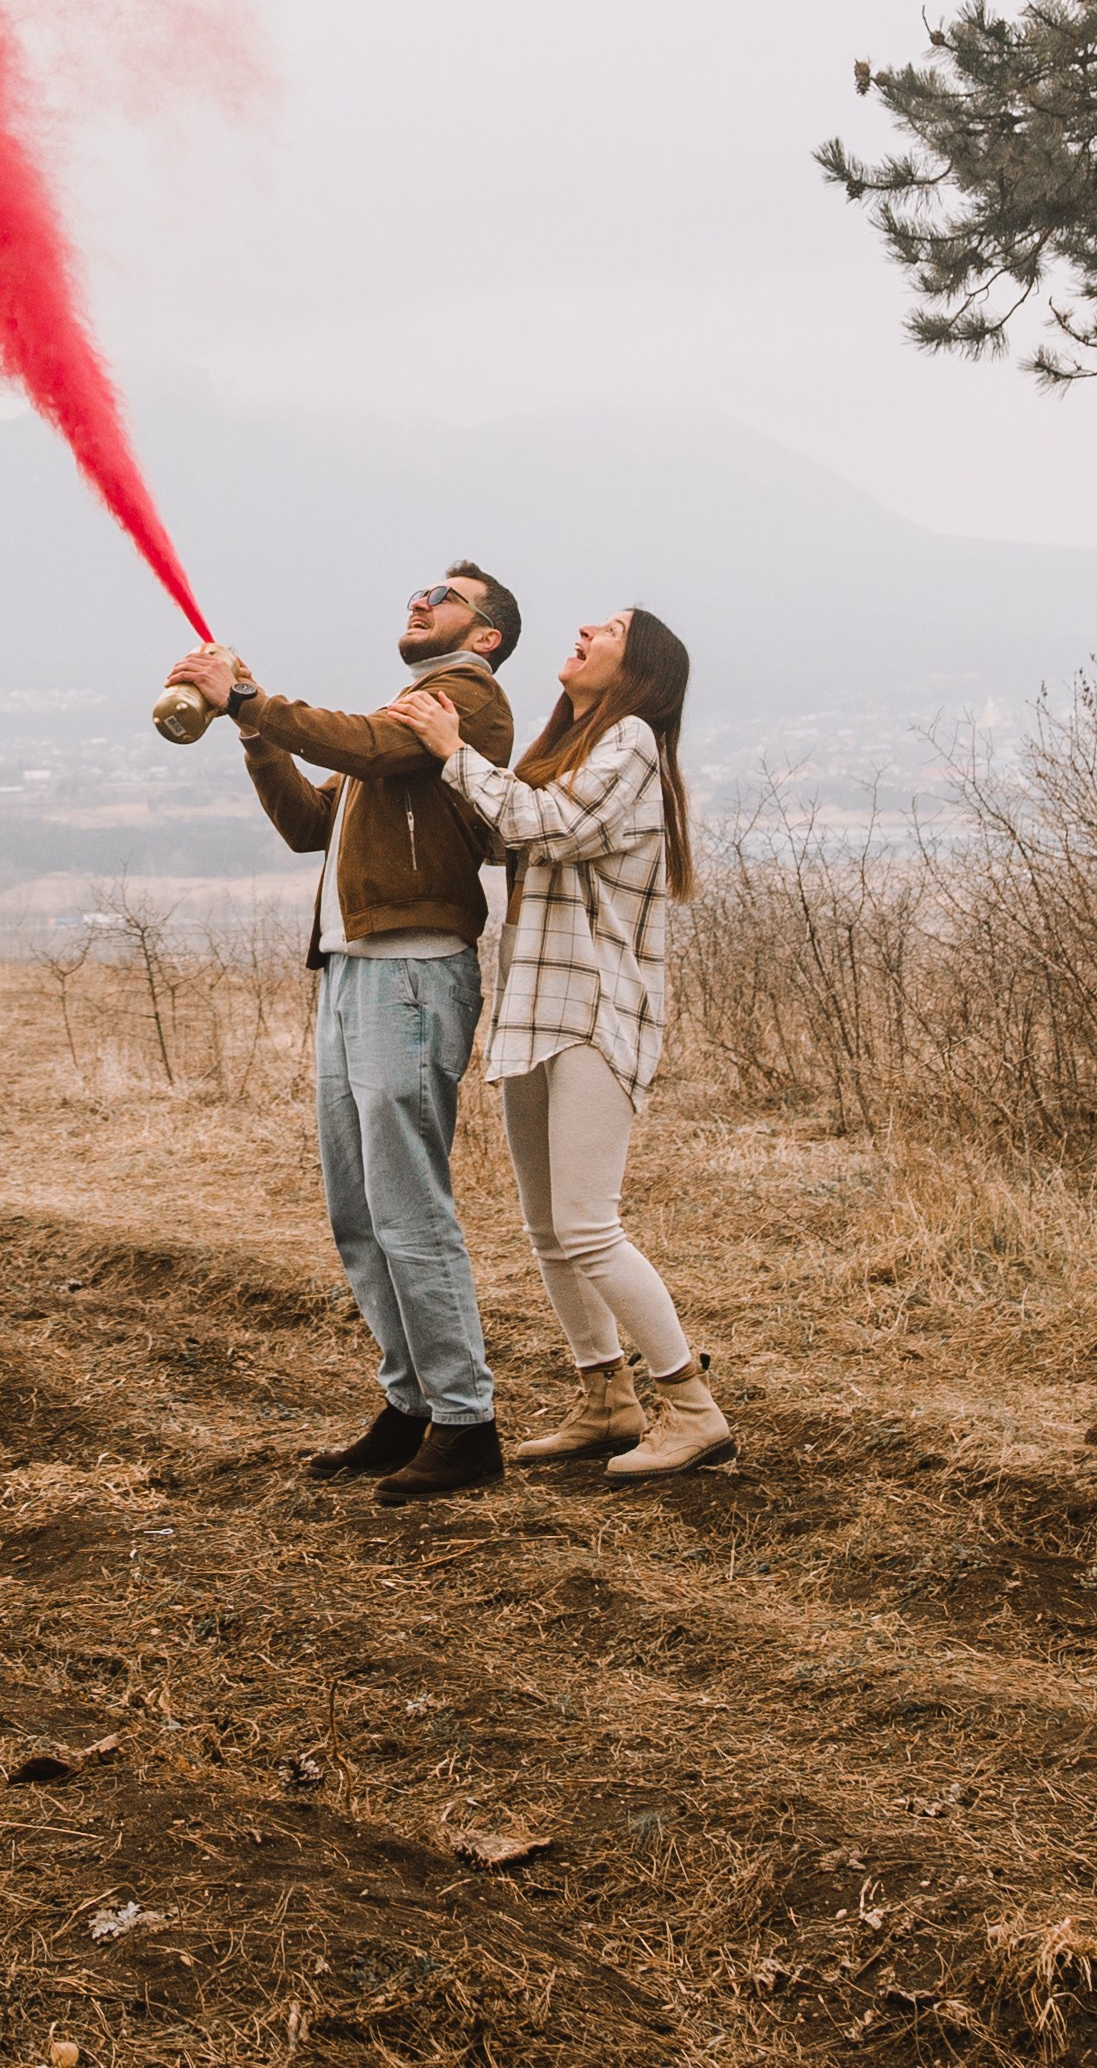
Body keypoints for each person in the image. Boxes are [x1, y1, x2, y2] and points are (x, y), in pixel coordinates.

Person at [166, 567, 519, 1503]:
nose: (419, 599)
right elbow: (307, 825)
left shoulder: (462, 699)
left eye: (445, 596)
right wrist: (250, 730)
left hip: (410, 973)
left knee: (407, 1210)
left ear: (483, 636)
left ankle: (465, 1421)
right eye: (418, 590)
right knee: (359, 1216)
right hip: (357, 974)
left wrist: (248, 693)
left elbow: (360, 747)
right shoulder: (398, 717)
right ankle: (411, 1406)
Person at [390, 604, 734, 1481]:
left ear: (639, 668)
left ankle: (693, 1412)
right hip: (534, 1007)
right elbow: (514, 818)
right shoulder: (575, 750)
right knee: (548, 1229)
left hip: (591, 1009)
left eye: (609, 627)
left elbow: (550, 827)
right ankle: (606, 1400)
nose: (584, 628)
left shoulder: (632, 745)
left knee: (586, 1227)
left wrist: (449, 752)